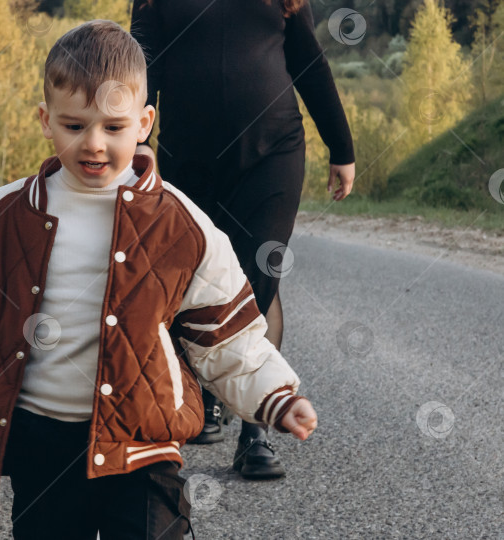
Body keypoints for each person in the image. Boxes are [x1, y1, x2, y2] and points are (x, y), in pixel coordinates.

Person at [0, 20, 318, 539]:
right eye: (74, 125)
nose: (94, 144)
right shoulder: (1, 216)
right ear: (45, 120)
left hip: (143, 439)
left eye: (113, 127)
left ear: (145, 122)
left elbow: (226, 332)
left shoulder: (180, 224)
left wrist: (276, 395)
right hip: (43, 440)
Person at [131, 0, 355, 479]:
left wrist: (342, 147)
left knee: (260, 272)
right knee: (201, 279)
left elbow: (308, 61)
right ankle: (210, 394)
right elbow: (144, 65)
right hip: (190, 158)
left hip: (273, 151)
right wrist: (133, 140)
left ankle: (256, 429)